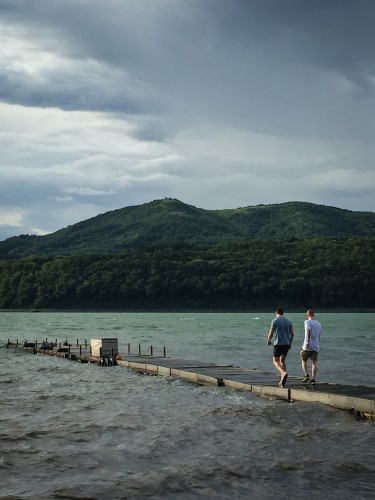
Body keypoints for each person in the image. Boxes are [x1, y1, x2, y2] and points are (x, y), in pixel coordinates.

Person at [267, 308, 294, 387]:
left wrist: (268, 340)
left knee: (275, 361)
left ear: (276, 313)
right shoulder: (288, 321)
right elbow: (292, 334)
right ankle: (282, 380)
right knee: (282, 360)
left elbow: (271, 333)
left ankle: (283, 372)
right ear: (283, 313)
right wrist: (290, 344)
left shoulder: (275, 320)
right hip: (286, 344)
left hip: (278, 343)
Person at [300, 309, 321, 386]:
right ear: (313, 315)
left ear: (307, 315)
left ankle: (306, 375)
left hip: (307, 345)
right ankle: (313, 379)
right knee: (314, 363)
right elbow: (319, 336)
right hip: (316, 346)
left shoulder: (307, 322)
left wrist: (308, 342)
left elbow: (308, 331)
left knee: (303, 360)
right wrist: (317, 343)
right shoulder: (319, 324)